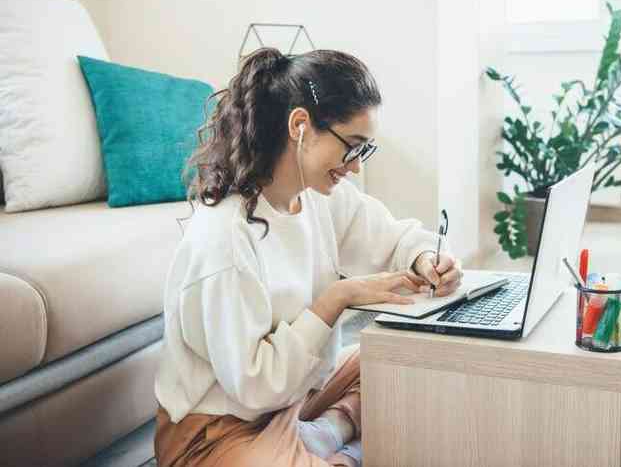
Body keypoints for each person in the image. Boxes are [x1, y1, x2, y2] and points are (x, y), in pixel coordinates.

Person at [153, 47, 462, 467]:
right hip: (221, 430)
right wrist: (335, 299)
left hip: (294, 398)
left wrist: (427, 257)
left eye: (363, 151)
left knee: (418, 360)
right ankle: (339, 445)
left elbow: (394, 239)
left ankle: (328, 432)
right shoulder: (225, 239)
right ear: (300, 125)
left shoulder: (315, 198)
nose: (353, 166)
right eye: (351, 147)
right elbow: (255, 387)